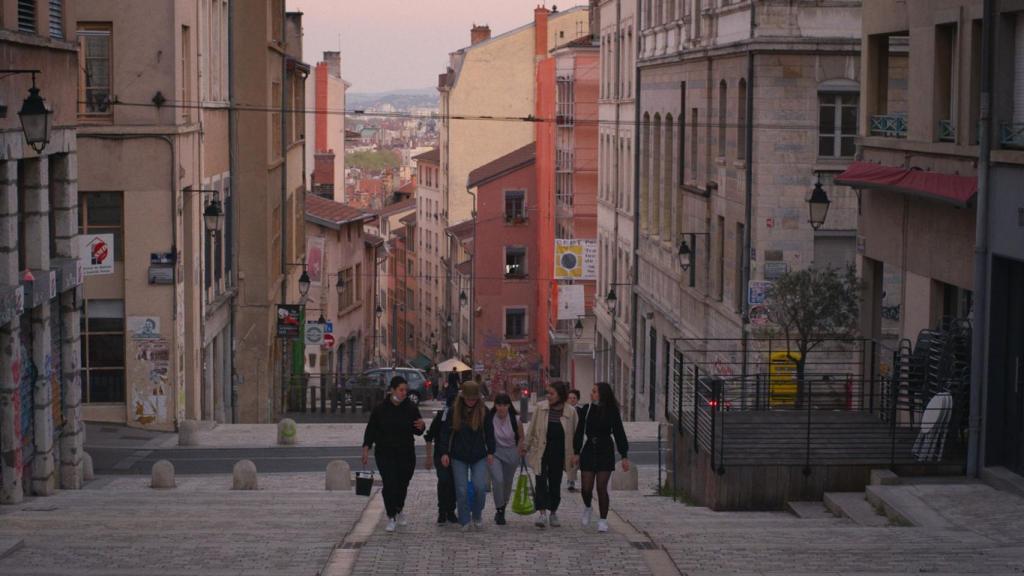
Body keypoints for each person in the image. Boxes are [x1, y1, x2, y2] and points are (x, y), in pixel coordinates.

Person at [362, 376, 425, 533]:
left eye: (406, 390)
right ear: (392, 390)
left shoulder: (410, 408)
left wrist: (422, 426)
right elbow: (371, 430)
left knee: (402, 484)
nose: (404, 393)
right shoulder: (380, 409)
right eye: (401, 390)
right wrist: (366, 448)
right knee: (390, 484)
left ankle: (399, 508)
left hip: (406, 453)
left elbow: (418, 430)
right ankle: (391, 516)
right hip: (385, 452)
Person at [573, 382, 630, 533]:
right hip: (589, 448)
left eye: (594, 392)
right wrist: (576, 452)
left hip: (605, 449)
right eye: (592, 391)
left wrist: (624, 455)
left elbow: (619, 432)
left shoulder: (611, 411)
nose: (591, 394)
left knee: (601, 487)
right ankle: (587, 507)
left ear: (602, 394)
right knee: (586, 487)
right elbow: (579, 431)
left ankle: (603, 520)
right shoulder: (586, 409)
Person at [439, 381, 495, 531]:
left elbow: (490, 433)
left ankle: (477, 515)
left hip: (479, 455)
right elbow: (445, 433)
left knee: (480, 487)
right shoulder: (453, 411)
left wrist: (491, 452)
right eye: (468, 398)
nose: (471, 401)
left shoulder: (484, 411)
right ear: (462, 396)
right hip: (458, 455)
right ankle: (464, 519)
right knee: (461, 489)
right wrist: (444, 452)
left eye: (474, 398)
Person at [524, 381, 578, 528]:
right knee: (540, 482)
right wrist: (525, 446)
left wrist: (576, 454)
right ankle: (542, 514)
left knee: (555, 482)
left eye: (552, 393)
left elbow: (575, 434)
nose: (549, 396)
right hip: (541, 450)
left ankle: (553, 511)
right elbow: (532, 428)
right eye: (548, 393)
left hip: (559, 452)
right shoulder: (541, 408)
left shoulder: (570, 412)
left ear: (560, 395)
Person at [486, 393, 526, 525]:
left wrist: (520, 449)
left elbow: (521, 437)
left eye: (504, 405)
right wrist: (489, 452)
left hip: (512, 453)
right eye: (498, 405)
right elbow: (487, 436)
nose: (501, 408)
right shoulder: (490, 418)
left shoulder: (516, 419)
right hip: (495, 452)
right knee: (498, 480)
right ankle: (499, 508)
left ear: (509, 405)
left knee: (507, 483)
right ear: (495, 405)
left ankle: (502, 509)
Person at [423, 394, 458, 525]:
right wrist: (428, 458)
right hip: (440, 454)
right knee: (444, 481)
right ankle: (442, 511)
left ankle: (451, 511)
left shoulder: (462, 417)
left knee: (454, 483)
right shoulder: (441, 417)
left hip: (457, 456)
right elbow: (429, 436)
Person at [566, 389, 582, 492]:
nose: (572, 400)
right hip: (566, 438)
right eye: (570, 398)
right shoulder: (564, 410)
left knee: (574, 461)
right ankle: (569, 481)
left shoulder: (580, 411)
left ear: (577, 400)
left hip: (577, 438)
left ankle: (571, 481)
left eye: (574, 398)